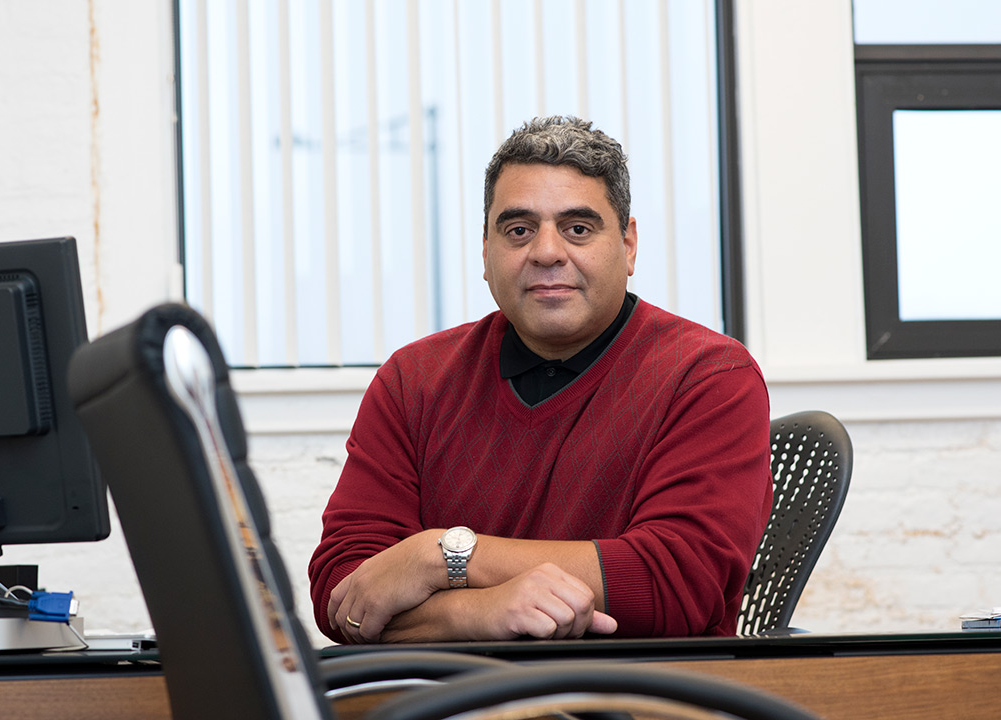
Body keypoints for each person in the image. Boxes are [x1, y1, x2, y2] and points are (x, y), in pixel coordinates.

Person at [308, 116, 772, 645]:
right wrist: (481, 613)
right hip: (449, 698)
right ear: (486, 253)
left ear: (628, 245)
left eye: (578, 228)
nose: (547, 252)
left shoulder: (709, 376)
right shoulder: (413, 380)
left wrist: (439, 557)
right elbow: (345, 593)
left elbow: (672, 585)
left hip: (645, 698)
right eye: (519, 230)